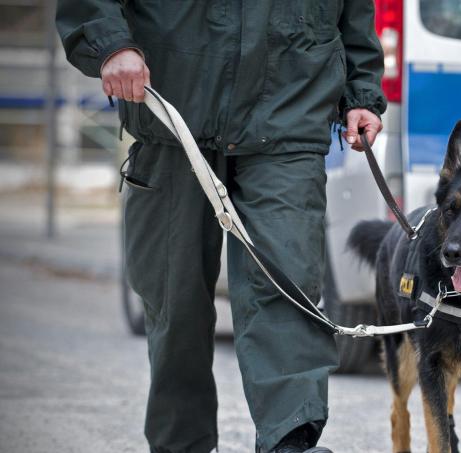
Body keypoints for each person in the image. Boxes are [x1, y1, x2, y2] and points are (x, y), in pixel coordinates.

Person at [56, 2, 386, 452]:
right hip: (172, 116)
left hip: (288, 115)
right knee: (176, 302)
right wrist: (111, 45)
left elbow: (356, 12)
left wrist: (361, 93)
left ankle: (289, 441)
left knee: (287, 286)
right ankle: (181, 443)